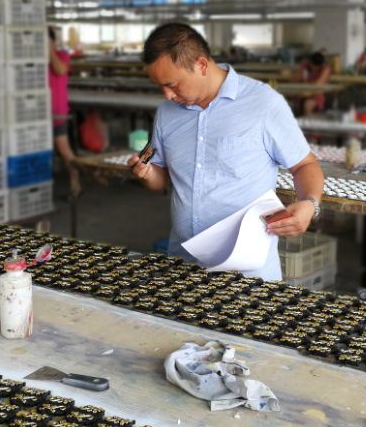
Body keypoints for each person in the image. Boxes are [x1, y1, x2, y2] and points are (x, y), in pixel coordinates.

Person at [129, 23, 324, 281]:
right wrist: (147, 174)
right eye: (160, 87)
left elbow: (305, 165)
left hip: (247, 272)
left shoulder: (263, 103)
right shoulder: (167, 113)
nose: (167, 95)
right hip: (183, 265)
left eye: (173, 84)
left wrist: (310, 205)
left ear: (201, 65)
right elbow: (165, 180)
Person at [48, 27, 81, 196]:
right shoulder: (36, 61)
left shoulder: (62, 55)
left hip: (57, 113)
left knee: (63, 148)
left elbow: (60, 70)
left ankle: (75, 184)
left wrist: (50, 50)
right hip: (38, 114)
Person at [298, 51, 332, 117]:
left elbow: (318, 84)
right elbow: (297, 78)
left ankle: (309, 125)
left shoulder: (325, 69)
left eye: (316, 67)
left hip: (317, 94)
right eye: (312, 65)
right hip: (303, 92)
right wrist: (301, 75)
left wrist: (306, 83)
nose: (314, 68)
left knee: (308, 105)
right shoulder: (305, 65)